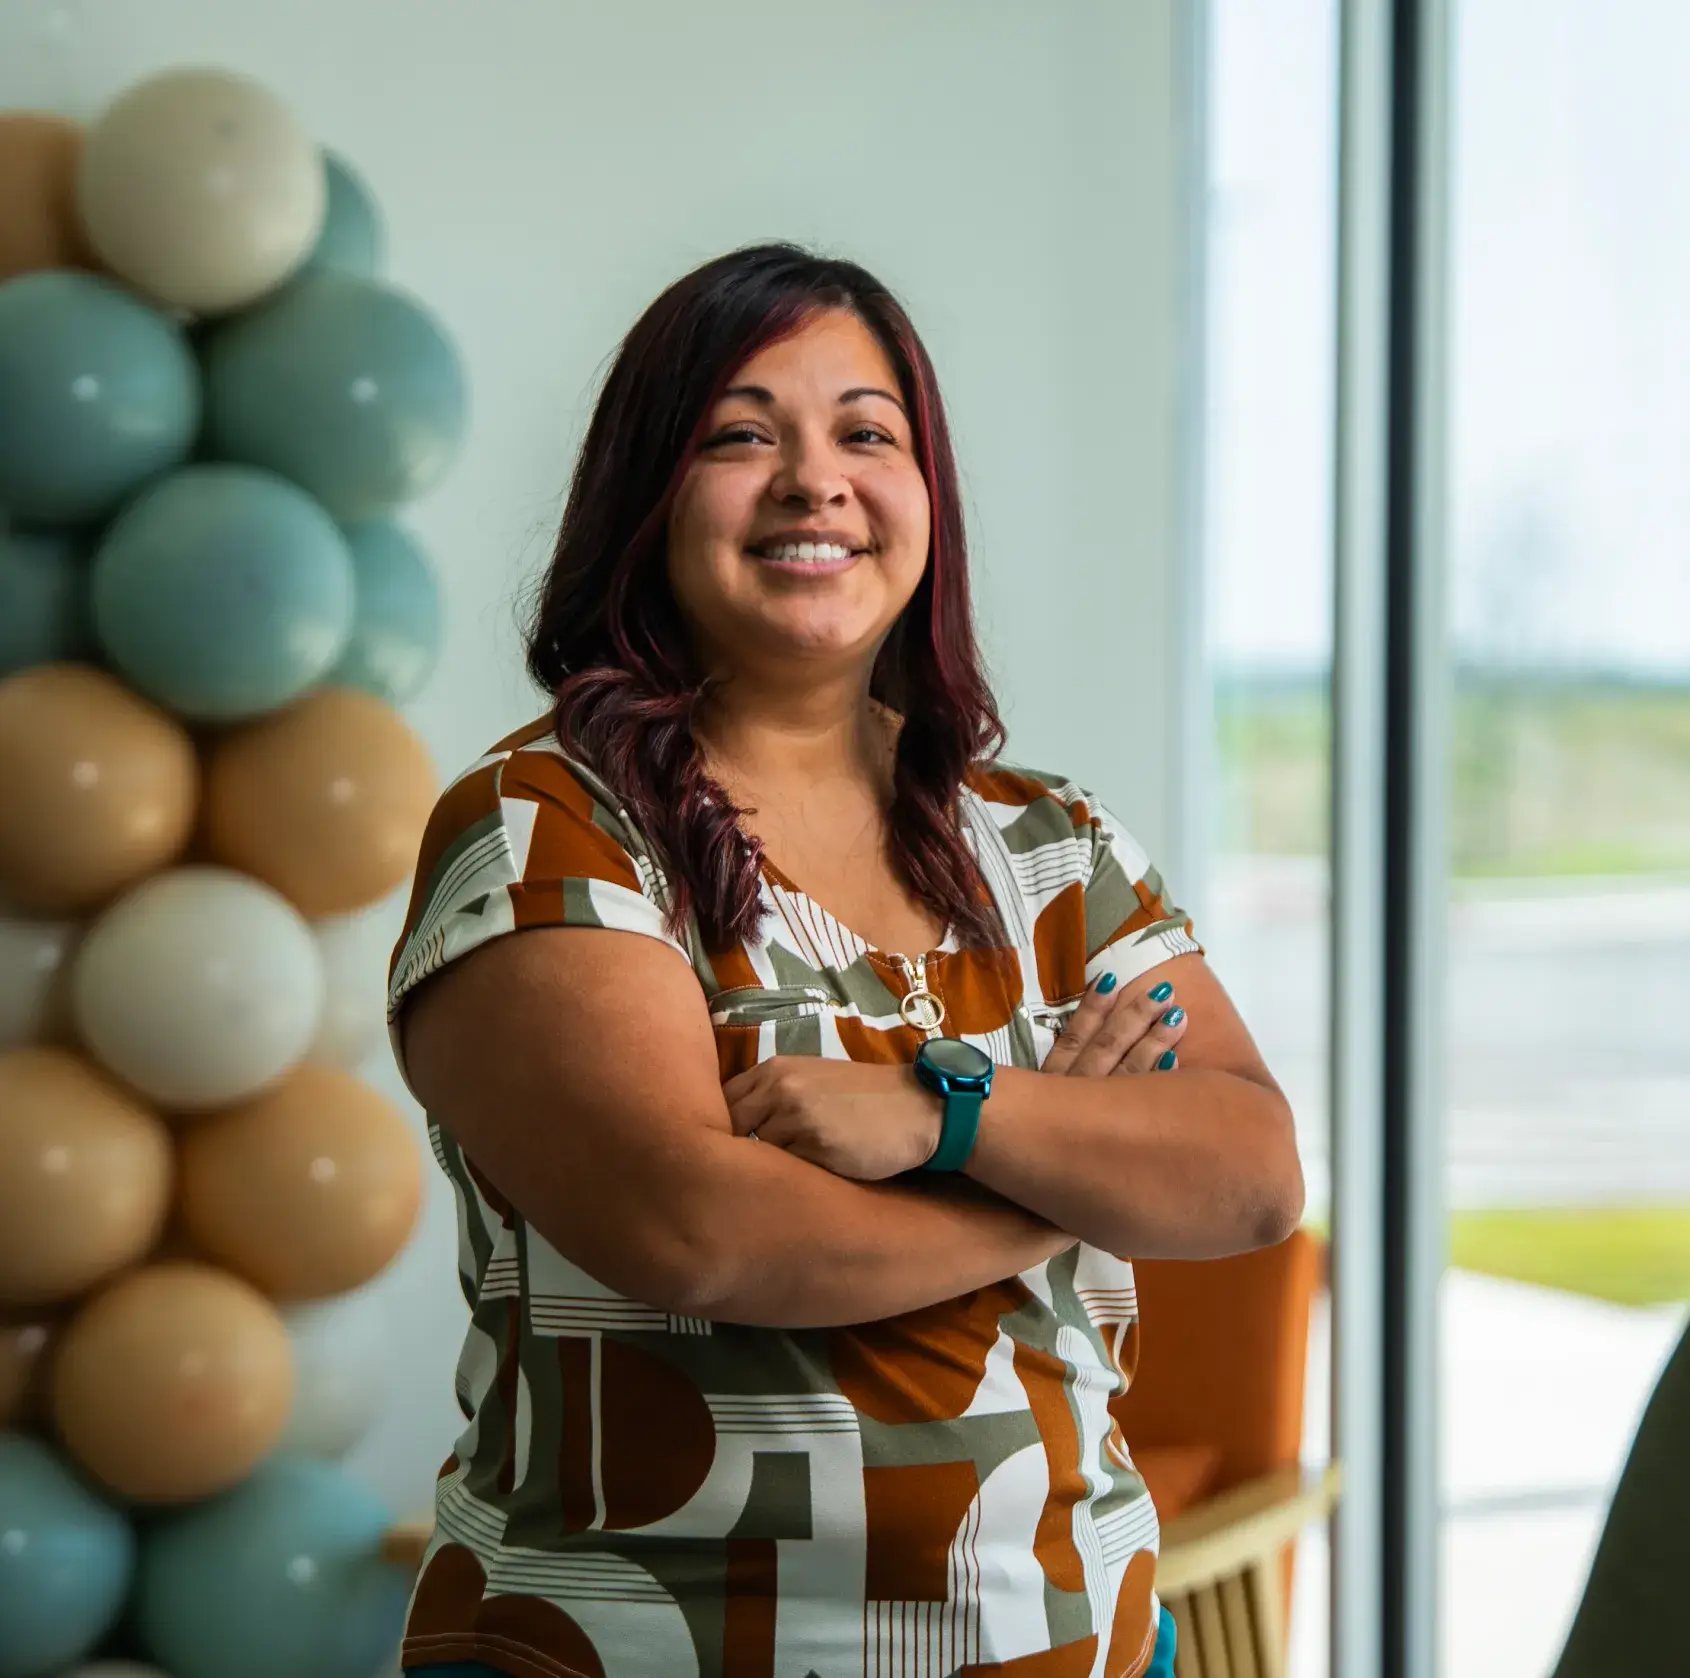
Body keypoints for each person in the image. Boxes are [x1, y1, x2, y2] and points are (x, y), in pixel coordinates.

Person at [389, 243, 1303, 1678]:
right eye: (741, 435)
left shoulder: (1054, 845)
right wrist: (1061, 1181)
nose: (814, 480)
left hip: (1081, 1641)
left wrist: (947, 1113)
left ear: (921, 497)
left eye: (865, 433)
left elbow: (1248, 1171)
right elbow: (704, 1229)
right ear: (645, 496)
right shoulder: (542, 828)